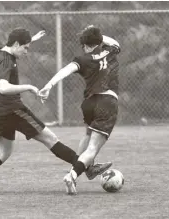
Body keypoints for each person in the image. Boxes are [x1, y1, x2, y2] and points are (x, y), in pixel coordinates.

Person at [0, 28, 108, 193]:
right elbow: (3, 87)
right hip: (12, 110)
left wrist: (31, 39)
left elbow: (14, 45)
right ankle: (87, 167)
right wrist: (29, 87)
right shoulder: (7, 61)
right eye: (25, 48)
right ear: (16, 44)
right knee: (51, 139)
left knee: (3, 151)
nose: (26, 52)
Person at [39, 25, 120, 195]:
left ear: (85, 45)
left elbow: (65, 71)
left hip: (89, 103)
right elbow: (113, 42)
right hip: (107, 102)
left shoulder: (83, 59)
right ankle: (72, 175)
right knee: (92, 149)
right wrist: (94, 34)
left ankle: (84, 168)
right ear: (99, 41)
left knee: (88, 135)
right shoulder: (111, 50)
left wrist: (48, 85)